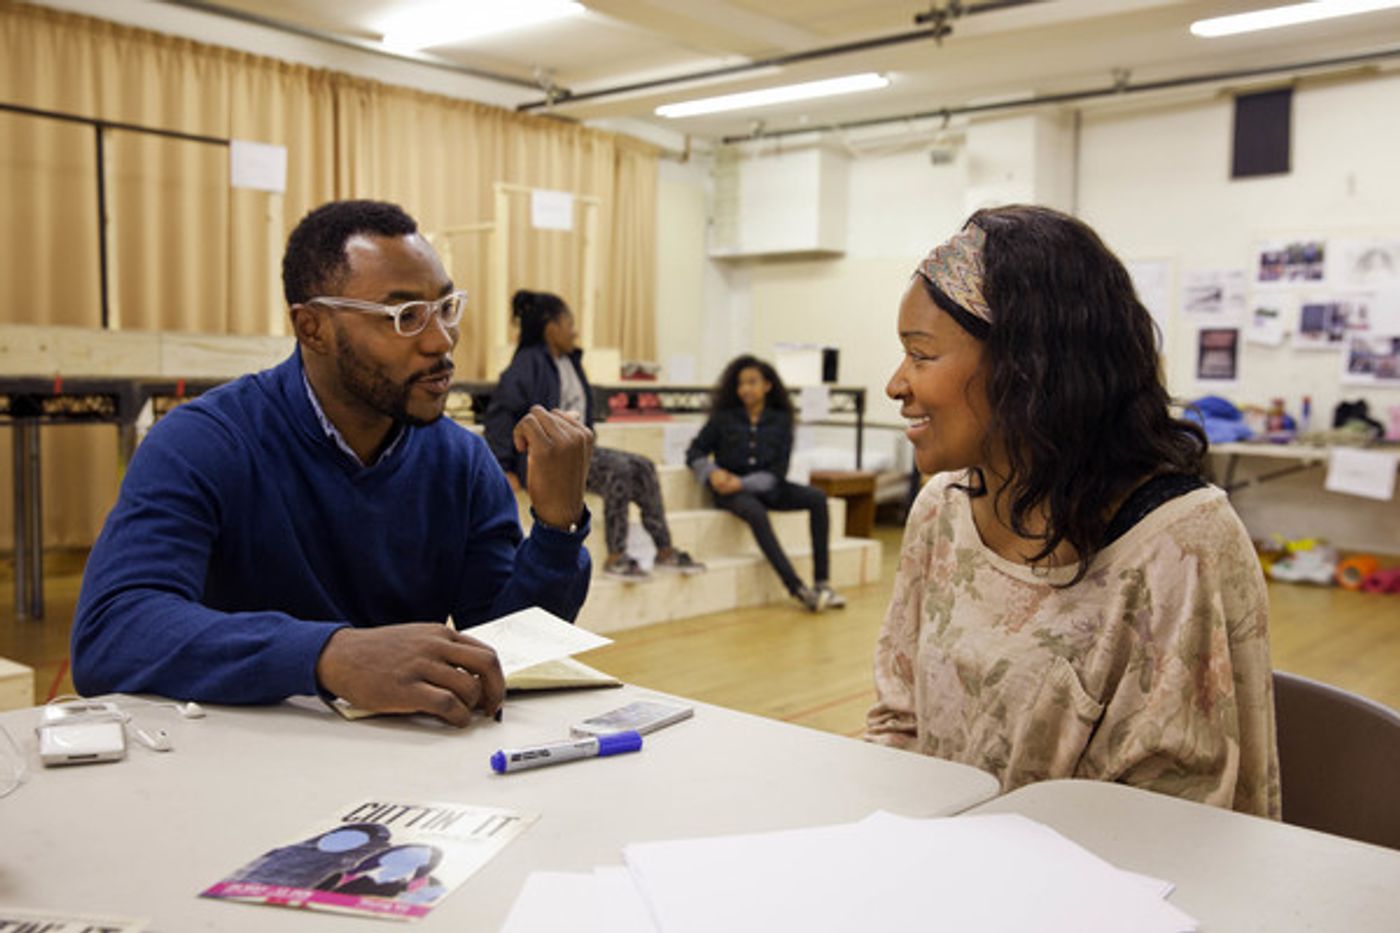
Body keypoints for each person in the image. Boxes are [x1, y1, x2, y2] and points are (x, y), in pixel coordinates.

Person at [71, 200, 594, 726]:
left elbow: (500, 645)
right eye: (404, 317)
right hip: (235, 759)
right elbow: (113, 633)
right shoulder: (203, 443)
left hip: (403, 768)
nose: (440, 341)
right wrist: (328, 655)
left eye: (445, 308)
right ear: (312, 328)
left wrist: (555, 528)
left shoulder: (461, 461)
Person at [867, 204, 1280, 817]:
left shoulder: (1178, 543)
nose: (896, 384)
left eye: (921, 356)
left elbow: (1177, 813)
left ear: (1027, 369)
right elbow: (899, 719)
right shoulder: (941, 510)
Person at [484, 289, 704, 581]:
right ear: (551, 328)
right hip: (546, 458)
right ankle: (616, 556)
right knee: (620, 471)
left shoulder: (571, 362)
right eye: (569, 323)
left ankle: (665, 549)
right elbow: (501, 415)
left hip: (577, 450)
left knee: (644, 466)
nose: (574, 332)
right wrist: (504, 467)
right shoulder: (527, 364)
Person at [686, 355, 844, 612]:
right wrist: (713, 472)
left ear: (767, 386)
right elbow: (694, 452)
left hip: (768, 487)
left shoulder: (781, 420)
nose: (745, 389)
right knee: (756, 513)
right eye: (741, 383)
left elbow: (778, 472)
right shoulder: (723, 418)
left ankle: (822, 583)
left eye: (752, 382)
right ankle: (798, 589)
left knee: (817, 498)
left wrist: (742, 482)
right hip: (729, 493)